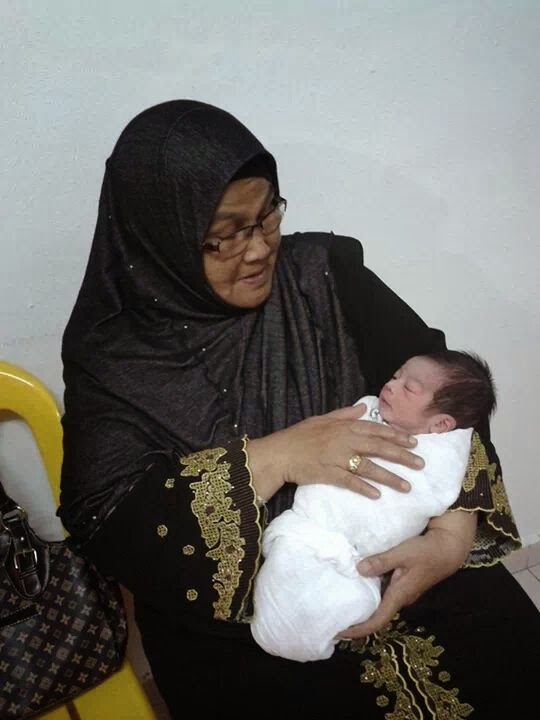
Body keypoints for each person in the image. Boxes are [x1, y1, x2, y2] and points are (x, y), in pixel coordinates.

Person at [58, 99, 539, 718]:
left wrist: (449, 541)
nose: (260, 249)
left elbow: (452, 396)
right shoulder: (113, 358)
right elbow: (107, 519)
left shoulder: (323, 274)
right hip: (242, 619)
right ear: (159, 238)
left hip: (406, 554)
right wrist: (276, 457)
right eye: (224, 235)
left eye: (267, 218)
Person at [250, 350, 496, 662]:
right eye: (395, 376)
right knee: (287, 571)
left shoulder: (443, 456)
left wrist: (450, 543)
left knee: (356, 599)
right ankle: (281, 628)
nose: (391, 385)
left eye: (409, 388)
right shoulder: (367, 410)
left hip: (368, 561)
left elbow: (442, 493)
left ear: (441, 424)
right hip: (308, 528)